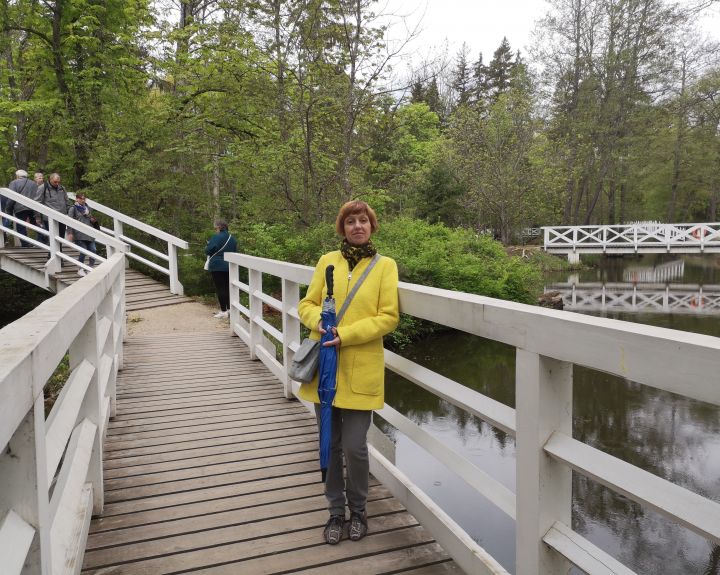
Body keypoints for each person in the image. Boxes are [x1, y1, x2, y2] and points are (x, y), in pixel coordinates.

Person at [297, 200, 399, 545]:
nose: (358, 226)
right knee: (331, 443)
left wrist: (347, 335)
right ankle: (335, 513)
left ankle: (359, 510)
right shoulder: (327, 261)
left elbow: (388, 316)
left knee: (355, 447)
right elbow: (306, 304)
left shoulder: (385, 266)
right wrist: (320, 325)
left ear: (372, 226)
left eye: (364, 221)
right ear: (343, 227)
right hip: (325, 370)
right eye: (351, 221)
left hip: (360, 368)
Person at [205, 219, 237, 318]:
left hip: (217, 266)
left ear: (219, 227)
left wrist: (208, 245)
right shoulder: (232, 238)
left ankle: (223, 311)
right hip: (230, 266)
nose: (215, 230)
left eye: (216, 228)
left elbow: (208, 251)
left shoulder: (216, 237)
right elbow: (235, 251)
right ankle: (229, 310)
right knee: (228, 288)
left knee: (220, 288)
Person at [6, 169, 39, 247]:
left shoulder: (14, 183)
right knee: (34, 223)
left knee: (20, 226)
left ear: (17, 176)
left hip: (20, 208)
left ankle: (25, 244)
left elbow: (11, 198)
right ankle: (44, 238)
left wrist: (8, 210)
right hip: (33, 207)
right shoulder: (33, 183)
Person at [67, 193, 97, 276]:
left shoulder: (88, 208)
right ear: (76, 199)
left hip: (89, 233)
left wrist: (93, 220)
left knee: (93, 250)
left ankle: (90, 267)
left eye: (84, 199)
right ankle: (80, 269)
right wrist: (70, 233)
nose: (83, 200)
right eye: (81, 199)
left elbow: (92, 220)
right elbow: (69, 221)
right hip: (79, 233)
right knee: (83, 250)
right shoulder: (73, 209)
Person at [35, 172, 69, 246]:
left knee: (61, 237)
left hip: (61, 216)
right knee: (52, 237)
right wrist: (38, 217)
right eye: (55, 182)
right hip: (49, 218)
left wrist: (70, 213)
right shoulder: (43, 188)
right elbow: (37, 202)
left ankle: (59, 254)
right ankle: (52, 254)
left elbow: (67, 201)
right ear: (50, 179)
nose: (57, 183)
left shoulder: (62, 188)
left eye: (58, 182)